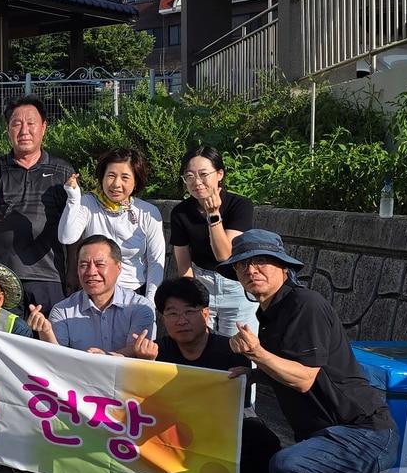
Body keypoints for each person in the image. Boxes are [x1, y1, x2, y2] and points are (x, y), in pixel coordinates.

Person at [218, 230, 407, 473]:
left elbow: (304, 377)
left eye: (262, 261)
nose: (251, 269)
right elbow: (292, 367)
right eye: (243, 264)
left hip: (363, 431)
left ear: (283, 266)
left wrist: (256, 353)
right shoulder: (270, 312)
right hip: (327, 437)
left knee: (289, 466)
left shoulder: (304, 305)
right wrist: (254, 372)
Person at [129, 277, 282, 473]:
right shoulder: (156, 351)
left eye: (190, 311)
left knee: (260, 436)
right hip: (171, 425)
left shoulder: (230, 350)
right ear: (163, 318)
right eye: (172, 313)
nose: (182, 320)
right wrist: (144, 366)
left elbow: (237, 406)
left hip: (217, 424)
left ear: (206, 313)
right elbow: (138, 397)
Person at [0, 96, 74, 315]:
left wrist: (73, 274)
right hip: (1, 277)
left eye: (31, 123)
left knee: (48, 343)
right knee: (6, 343)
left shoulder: (62, 171)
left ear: (44, 127)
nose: (24, 130)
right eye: (16, 124)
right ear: (8, 129)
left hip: (49, 277)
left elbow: (74, 228)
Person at [171, 145, 257, 335]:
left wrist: (213, 215)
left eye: (203, 174)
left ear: (219, 174)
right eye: (189, 176)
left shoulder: (240, 206)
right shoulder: (180, 212)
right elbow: (184, 264)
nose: (197, 182)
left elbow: (224, 255)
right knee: (202, 349)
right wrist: (192, 299)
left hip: (235, 284)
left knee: (238, 350)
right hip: (202, 283)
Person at [58, 148, 164, 296]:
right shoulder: (87, 203)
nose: (116, 184)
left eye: (125, 177)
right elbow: (66, 237)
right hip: (94, 293)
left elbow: (155, 262)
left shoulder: (148, 212)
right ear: (102, 177)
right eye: (111, 176)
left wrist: (151, 303)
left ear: (136, 181)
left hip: (134, 294)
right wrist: (73, 198)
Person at [47, 235, 156, 354]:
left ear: (119, 267)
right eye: (83, 265)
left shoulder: (141, 307)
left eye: (100, 265)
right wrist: (46, 333)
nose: (91, 272)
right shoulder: (62, 311)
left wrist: (105, 358)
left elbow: (137, 352)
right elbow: (57, 359)